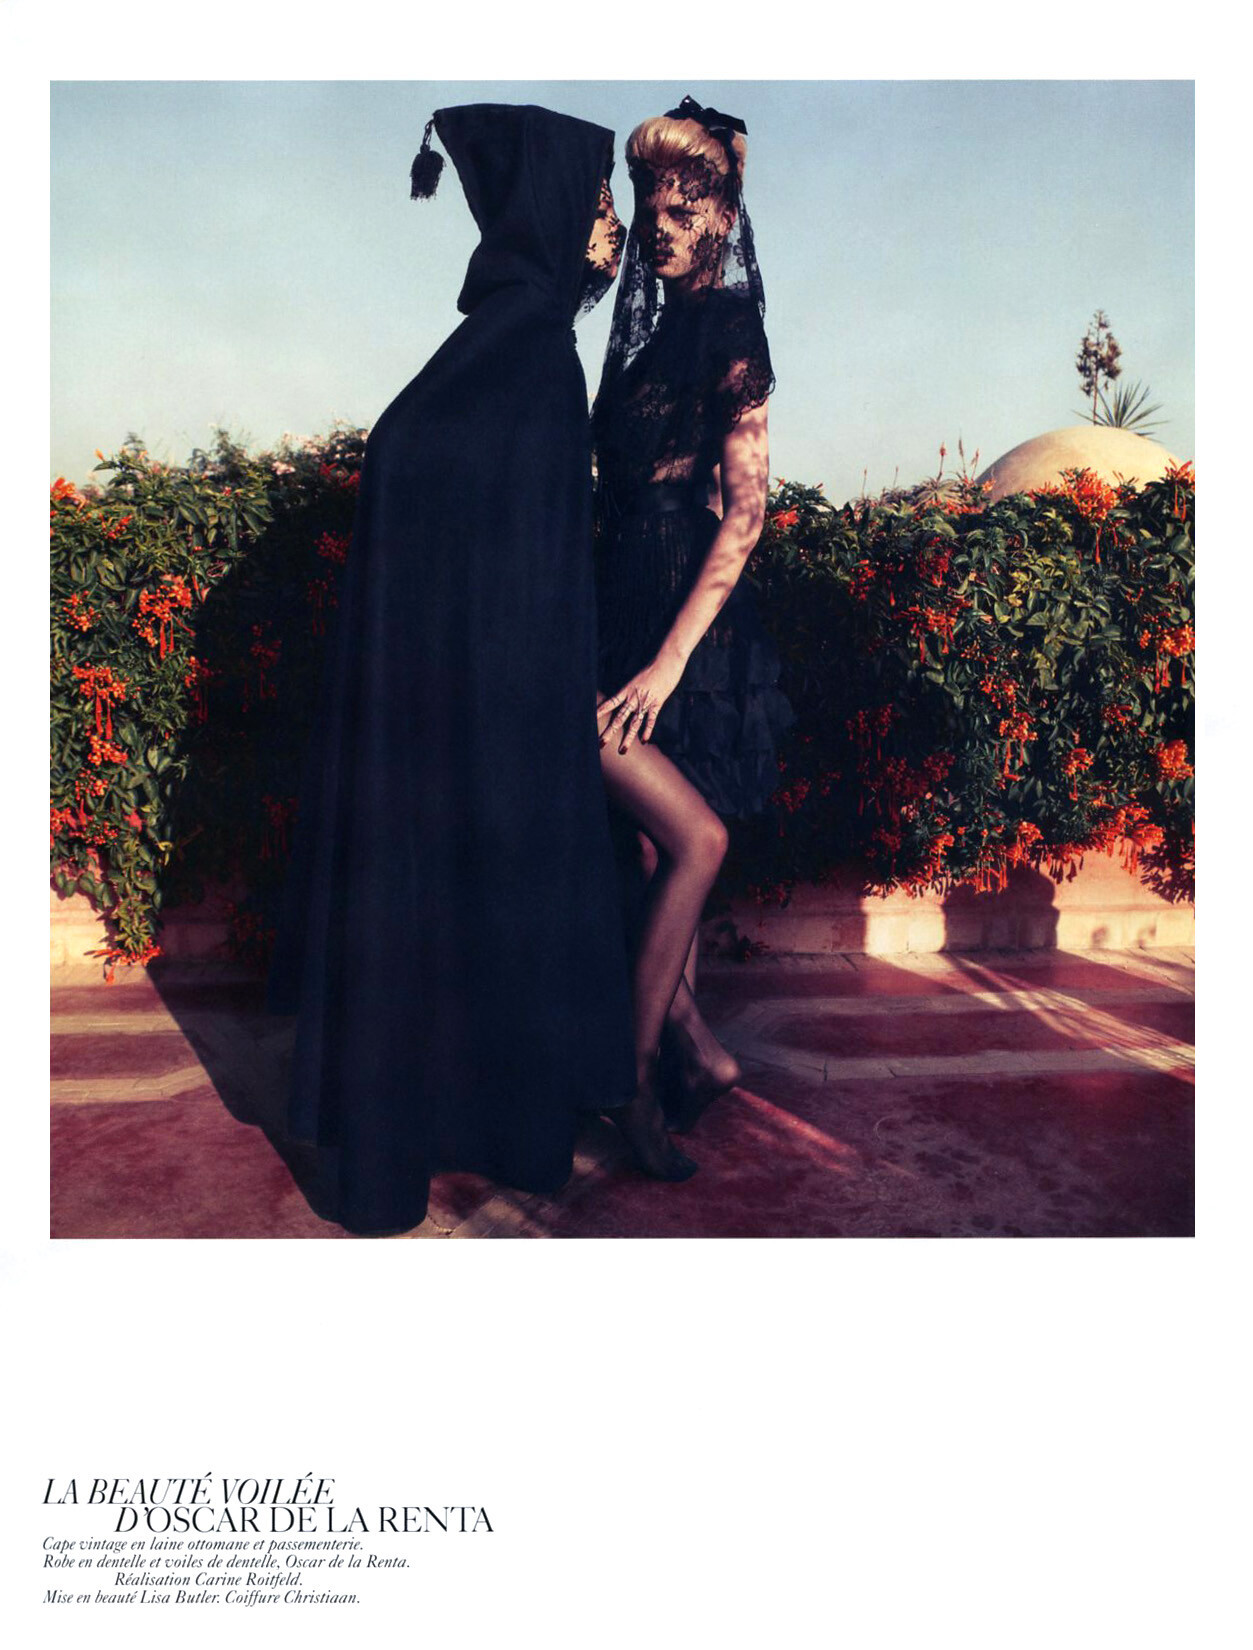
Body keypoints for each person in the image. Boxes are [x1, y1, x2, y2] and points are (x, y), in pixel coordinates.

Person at [268, 103, 654, 1234]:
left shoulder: (504, 344)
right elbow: (450, 492)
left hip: (454, 708)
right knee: (501, 904)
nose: (612, 228)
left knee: (440, 913)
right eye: (597, 204)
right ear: (549, 211)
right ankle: (495, 1138)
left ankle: (421, 1153)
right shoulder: (527, 347)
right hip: (499, 708)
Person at [592, 96, 792, 1136]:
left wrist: (672, 662)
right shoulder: (644, 339)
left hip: (683, 620)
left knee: (675, 844)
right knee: (640, 852)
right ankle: (697, 1059)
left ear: (721, 216)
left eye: (683, 210)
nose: (660, 228)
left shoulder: (728, 325)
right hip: (615, 595)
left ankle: (647, 1076)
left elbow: (747, 512)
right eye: (650, 210)